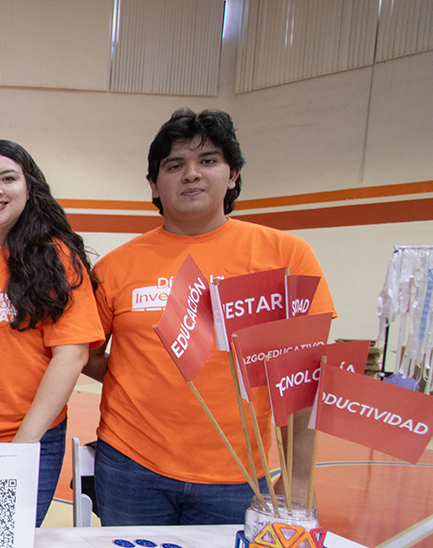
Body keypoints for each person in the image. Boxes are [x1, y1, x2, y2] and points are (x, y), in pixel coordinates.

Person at [83, 109, 335, 526]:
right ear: (153, 184)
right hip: (130, 467)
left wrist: (300, 481)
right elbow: (83, 351)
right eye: (174, 165)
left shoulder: (286, 256)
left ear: (232, 175)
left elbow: (305, 377)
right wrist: (132, 374)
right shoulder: (115, 267)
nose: (191, 174)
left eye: (209, 161)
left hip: (238, 476)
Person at [0, 140, 103, 527]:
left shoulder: (59, 257)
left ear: (29, 187)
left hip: (32, 438)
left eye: (8, 178)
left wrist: (21, 448)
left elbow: (72, 355)